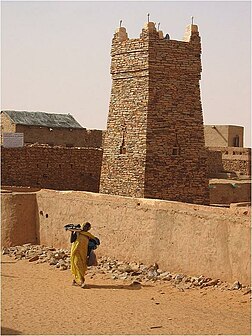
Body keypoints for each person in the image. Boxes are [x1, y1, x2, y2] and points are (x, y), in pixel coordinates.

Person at [70, 222, 99, 288]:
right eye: (84, 226)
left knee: (82, 268)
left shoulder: (88, 235)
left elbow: (95, 242)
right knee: (77, 265)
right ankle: (82, 282)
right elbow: (72, 241)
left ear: (89, 228)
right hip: (76, 252)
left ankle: (75, 280)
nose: (85, 228)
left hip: (83, 253)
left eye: (87, 227)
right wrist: (72, 232)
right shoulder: (77, 232)